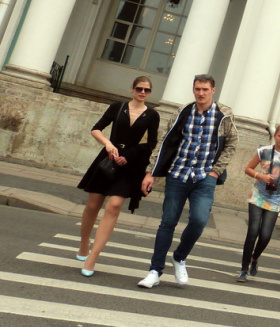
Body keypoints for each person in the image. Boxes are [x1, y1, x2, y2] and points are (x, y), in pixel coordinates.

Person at [138, 74, 237, 288]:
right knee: (168, 222)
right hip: (178, 174)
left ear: (213, 90)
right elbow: (166, 142)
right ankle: (155, 271)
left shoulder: (224, 115)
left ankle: (179, 257)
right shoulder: (183, 112)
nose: (200, 93)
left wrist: (216, 171)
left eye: (205, 89)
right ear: (193, 90)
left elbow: (231, 144)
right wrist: (150, 172)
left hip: (205, 177)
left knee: (199, 220)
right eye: (197, 89)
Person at [76, 76, 160, 276]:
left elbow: (151, 143)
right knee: (93, 205)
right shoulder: (117, 107)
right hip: (107, 161)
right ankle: (83, 244)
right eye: (139, 88)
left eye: (147, 90)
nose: (142, 92)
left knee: (113, 206)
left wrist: (129, 156)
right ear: (132, 89)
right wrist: (107, 143)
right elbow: (96, 129)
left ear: (149, 93)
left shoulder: (152, 115)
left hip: (130, 165)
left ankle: (93, 258)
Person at [237, 120, 280, 282]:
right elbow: (248, 169)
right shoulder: (263, 151)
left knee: (265, 235)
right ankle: (243, 269)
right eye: (279, 136)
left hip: (276, 197)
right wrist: (261, 176)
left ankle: (254, 259)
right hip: (258, 194)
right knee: (253, 231)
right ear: (274, 135)